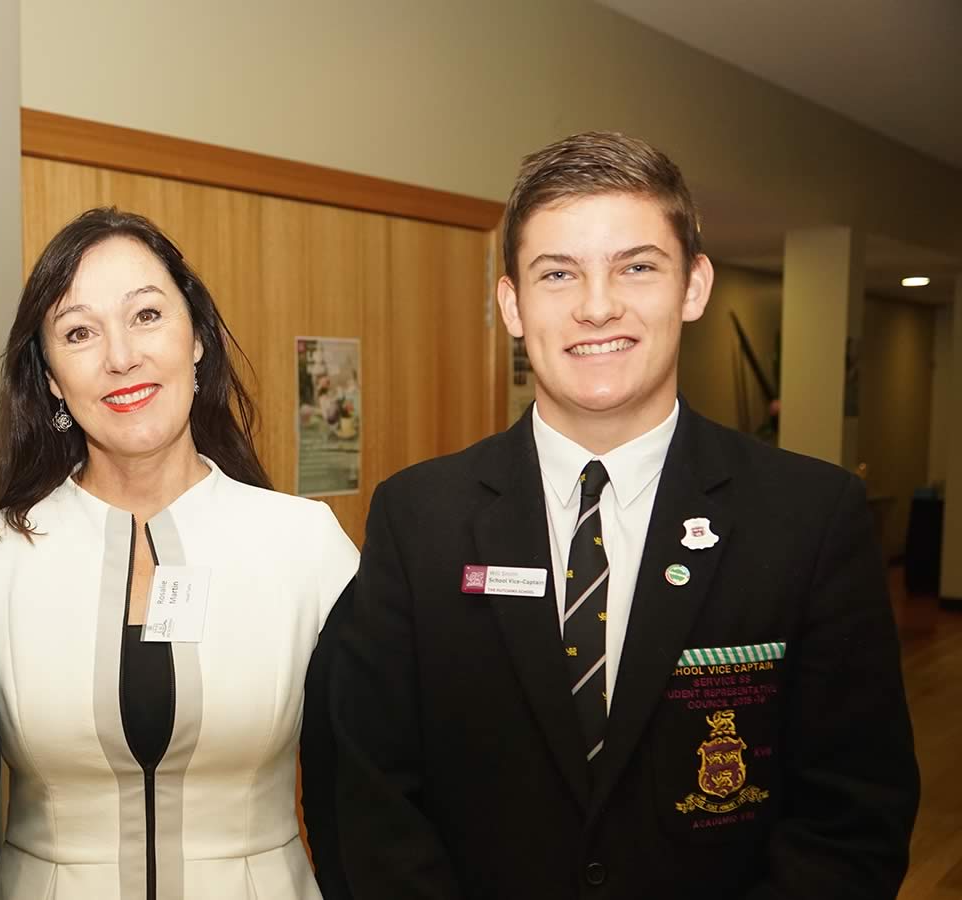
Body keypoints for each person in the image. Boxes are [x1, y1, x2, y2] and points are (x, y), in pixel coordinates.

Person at [322, 132, 919, 899]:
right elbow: (371, 796)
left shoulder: (811, 519)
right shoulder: (418, 518)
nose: (597, 306)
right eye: (557, 274)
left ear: (693, 287)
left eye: (637, 267)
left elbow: (855, 816)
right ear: (511, 303)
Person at [0, 207, 358, 900]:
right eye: (79, 332)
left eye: (146, 316)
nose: (121, 357)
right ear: (50, 377)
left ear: (196, 338)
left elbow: (373, 792)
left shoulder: (306, 545)